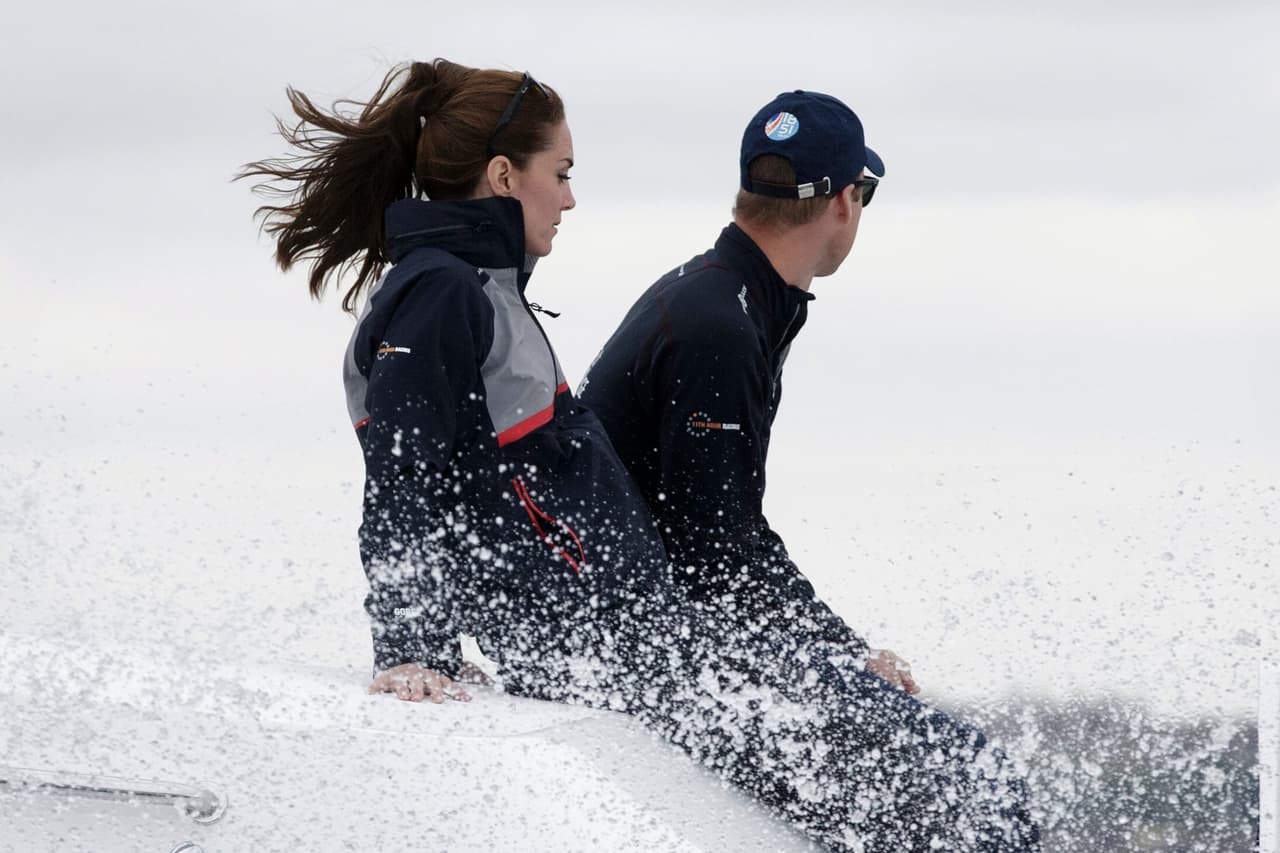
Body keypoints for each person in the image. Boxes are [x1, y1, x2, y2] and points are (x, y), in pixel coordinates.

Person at [241, 60, 1040, 851]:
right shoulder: (443, 291)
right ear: (501, 174)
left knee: (962, 791)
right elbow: (408, 476)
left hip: (649, 643)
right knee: (978, 795)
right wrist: (416, 648)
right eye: (560, 172)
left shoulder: (485, 289)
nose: (570, 195)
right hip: (625, 657)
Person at [580, 90, 924, 693]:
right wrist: (844, 656)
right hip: (630, 648)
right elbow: (716, 547)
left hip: (637, 624)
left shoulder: (718, 293)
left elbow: (710, 537)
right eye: (864, 193)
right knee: (954, 765)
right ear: (845, 201)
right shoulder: (721, 325)